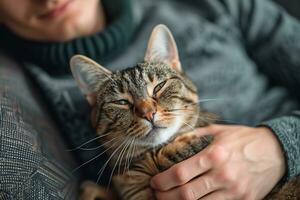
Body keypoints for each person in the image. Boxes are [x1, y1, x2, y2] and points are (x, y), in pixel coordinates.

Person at [0, 0, 299, 199]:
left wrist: (280, 146)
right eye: (121, 103)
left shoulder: (209, 5)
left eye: (160, 90)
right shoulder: (18, 93)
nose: (147, 111)